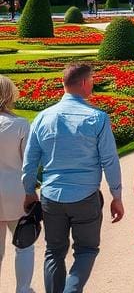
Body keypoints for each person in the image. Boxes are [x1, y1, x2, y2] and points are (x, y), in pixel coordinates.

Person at [22, 63, 124, 293]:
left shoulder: (42, 117)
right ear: (84, 83)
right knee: (87, 250)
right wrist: (116, 196)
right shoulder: (97, 118)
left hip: (52, 196)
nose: (94, 84)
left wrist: (29, 191)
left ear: (63, 84)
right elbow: (110, 161)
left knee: (53, 251)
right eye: (93, 80)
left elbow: (30, 162)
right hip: (85, 196)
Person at [1, 74, 34, 293]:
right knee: (24, 245)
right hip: (15, 190)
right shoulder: (20, 124)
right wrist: (32, 191)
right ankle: (23, 289)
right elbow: (28, 164)